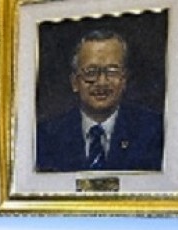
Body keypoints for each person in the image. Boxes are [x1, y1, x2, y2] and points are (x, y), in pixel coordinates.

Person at [35, 29, 164, 173]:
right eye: (91, 72)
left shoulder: (154, 131)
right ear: (74, 82)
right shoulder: (46, 137)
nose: (102, 82)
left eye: (112, 71)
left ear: (124, 80)